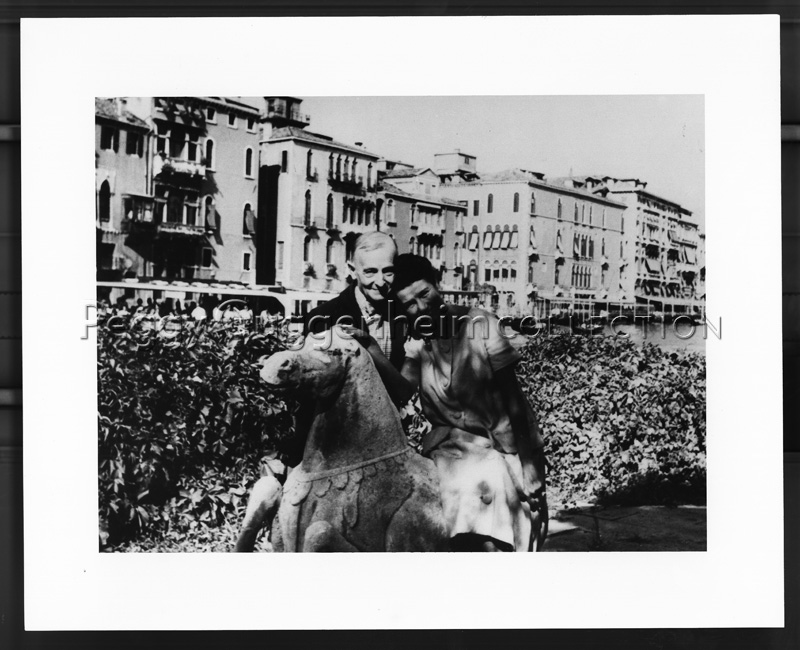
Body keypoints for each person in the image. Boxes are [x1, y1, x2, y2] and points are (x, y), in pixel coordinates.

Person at [392, 254, 548, 552]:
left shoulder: (480, 324)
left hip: (505, 446)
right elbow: (402, 389)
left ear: (437, 283)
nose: (421, 307)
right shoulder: (417, 344)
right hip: (453, 452)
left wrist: (529, 466)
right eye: (410, 304)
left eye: (425, 293)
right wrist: (372, 352)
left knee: (501, 534)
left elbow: (514, 398)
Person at [303, 231, 413, 409]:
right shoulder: (324, 317)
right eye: (370, 272)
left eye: (388, 272)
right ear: (352, 270)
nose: (380, 282)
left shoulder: (407, 313)